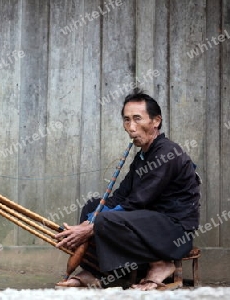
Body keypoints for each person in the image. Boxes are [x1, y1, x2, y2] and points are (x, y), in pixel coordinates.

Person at [55, 89, 201, 290]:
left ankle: (161, 263)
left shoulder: (167, 153)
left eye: (137, 119)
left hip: (173, 234)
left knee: (105, 219)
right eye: (126, 120)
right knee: (94, 205)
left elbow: (137, 201)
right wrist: (91, 219)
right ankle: (96, 270)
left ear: (156, 121)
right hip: (148, 225)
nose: (131, 127)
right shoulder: (142, 157)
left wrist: (91, 226)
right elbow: (120, 197)